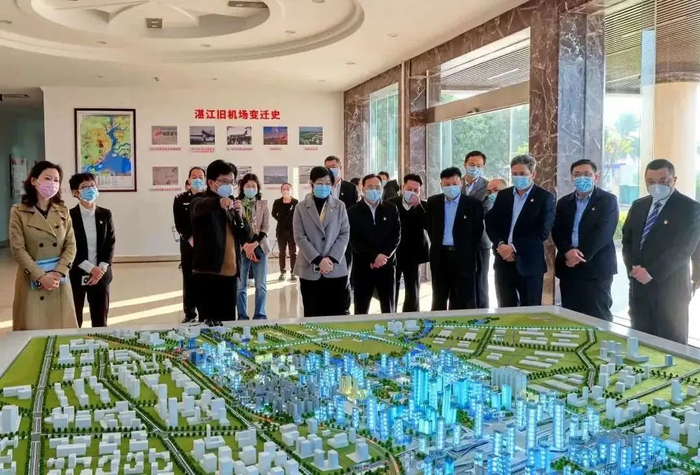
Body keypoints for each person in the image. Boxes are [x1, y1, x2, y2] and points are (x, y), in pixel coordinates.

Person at [622, 159, 700, 344]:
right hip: (639, 286)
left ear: (674, 180)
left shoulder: (690, 208)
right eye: (651, 181)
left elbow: (683, 249)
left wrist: (651, 273)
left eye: (663, 181)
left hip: (670, 288)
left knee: (671, 342)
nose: (657, 186)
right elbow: (627, 241)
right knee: (640, 340)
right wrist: (634, 270)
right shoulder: (639, 205)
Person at [10, 161, 77, 330]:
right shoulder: (18, 211)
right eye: (48, 178)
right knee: (33, 330)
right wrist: (40, 276)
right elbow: (18, 249)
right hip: (32, 280)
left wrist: (59, 272)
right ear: (34, 181)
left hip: (58, 280)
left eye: (56, 180)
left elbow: (71, 245)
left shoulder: (63, 210)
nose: (52, 183)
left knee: (62, 331)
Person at [552, 159, 618, 321]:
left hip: (596, 268)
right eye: (577, 174)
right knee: (570, 317)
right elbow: (557, 231)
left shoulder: (607, 200)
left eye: (587, 174)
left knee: (598, 315)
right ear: (571, 177)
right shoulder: (564, 202)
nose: (582, 178)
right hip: (568, 267)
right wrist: (567, 252)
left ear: (596, 177)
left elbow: (604, 233)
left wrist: (579, 256)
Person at [486, 154, 555, 307]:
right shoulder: (504, 195)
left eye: (522, 174)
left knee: (530, 310)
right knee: (505, 308)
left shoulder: (545, 198)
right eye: (515, 174)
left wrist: (513, 247)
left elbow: (542, 232)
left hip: (529, 264)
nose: (518, 177)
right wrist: (501, 244)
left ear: (533, 174)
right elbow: (492, 224)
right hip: (503, 262)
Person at [191, 160, 252, 324]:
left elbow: (246, 236)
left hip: (230, 275)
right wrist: (218, 202)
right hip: (208, 274)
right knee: (209, 325)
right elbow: (200, 206)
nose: (229, 186)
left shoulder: (231, 203)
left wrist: (241, 216)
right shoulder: (200, 200)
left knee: (228, 323)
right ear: (211, 182)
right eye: (224, 181)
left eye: (231, 182)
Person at [293, 167, 351, 317]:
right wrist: (318, 260)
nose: (324, 186)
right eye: (319, 183)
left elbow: (344, 234)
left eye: (327, 183)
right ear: (311, 184)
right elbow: (299, 236)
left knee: (337, 312)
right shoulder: (300, 207)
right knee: (312, 313)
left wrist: (330, 259)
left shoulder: (340, 206)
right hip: (309, 267)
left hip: (335, 267)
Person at [426, 167, 484, 310]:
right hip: (440, 256)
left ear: (461, 183)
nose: (451, 187)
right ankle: (438, 322)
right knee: (439, 297)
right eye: (447, 184)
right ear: (441, 185)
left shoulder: (473, 204)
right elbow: (429, 227)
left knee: (463, 298)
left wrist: (466, 249)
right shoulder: (433, 202)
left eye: (454, 183)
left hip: (463, 257)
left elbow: (477, 232)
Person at [347, 174, 401, 314]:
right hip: (363, 266)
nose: (374, 190)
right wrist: (373, 257)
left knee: (388, 308)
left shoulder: (391, 209)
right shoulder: (352, 212)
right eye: (370, 187)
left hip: (386, 265)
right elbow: (353, 239)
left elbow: (396, 235)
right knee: (361, 309)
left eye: (377, 187)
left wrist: (383, 256)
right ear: (362, 189)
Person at [68, 173, 116, 328]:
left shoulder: (105, 214)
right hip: (77, 273)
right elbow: (68, 246)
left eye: (92, 185)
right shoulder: (69, 216)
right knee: (75, 318)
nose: (90, 189)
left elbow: (110, 242)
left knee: (100, 319)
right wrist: (90, 268)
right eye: (84, 187)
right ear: (76, 193)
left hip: (101, 274)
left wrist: (100, 269)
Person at [388, 174, 429, 312]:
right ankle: (391, 313)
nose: (412, 192)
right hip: (395, 251)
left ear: (420, 191)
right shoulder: (391, 203)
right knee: (392, 284)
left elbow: (429, 225)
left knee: (413, 286)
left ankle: (411, 314)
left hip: (414, 252)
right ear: (402, 188)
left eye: (416, 190)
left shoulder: (424, 205)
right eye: (409, 189)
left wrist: (418, 206)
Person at [324, 155, 358, 313]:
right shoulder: (323, 187)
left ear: (340, 167)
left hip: (345, 240)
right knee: (326, 273)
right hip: (325, 240)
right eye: (328, 167)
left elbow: (355, 213)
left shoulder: (350, 188)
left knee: (345, 275)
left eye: (334, 166)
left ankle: (344, 309)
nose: (331, 169)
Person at [173, 166, 206, 323]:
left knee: (204, 278)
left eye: (200, 177)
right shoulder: (180, 199)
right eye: (194, 177)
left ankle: (204, 312)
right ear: (188, 179)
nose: (197, 180)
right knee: (188, 278)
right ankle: (190, 313)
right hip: (188, 244)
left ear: (205, 180)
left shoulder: (209, 198)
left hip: (206, 245)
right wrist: (191, 239)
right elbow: (179, 223)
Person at [237, 173, 271, 320]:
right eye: (248, 186)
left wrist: (254, 244)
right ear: (242, 188)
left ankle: (260, 314)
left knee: (261, 285)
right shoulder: (237, 204)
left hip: (260, 247)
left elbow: (266, 227)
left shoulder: (263, 204)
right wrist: (246, 245)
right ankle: (242, 315)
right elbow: (235, 228)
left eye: (254, 186)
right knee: (240, 286)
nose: (251, 188)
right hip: (242, 248)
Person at [462, 151, 492, 308]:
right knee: (462, 281)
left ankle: (482, 313)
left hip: (480, 241)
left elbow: (485, 211)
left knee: (480, 281)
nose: (475, 168)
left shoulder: (489, 187)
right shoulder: (455, 184)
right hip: (458, 242)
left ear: (483, 167)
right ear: (465, 164)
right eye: (472, 164)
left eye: (479, 165)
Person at [271, 183, 298, 282]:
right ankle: (282, 272)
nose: (286, 191)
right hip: (281, 231)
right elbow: (273, 213)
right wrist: (281, 219)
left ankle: (293, 272)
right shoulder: (277, 202)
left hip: (292, 231)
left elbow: (298, 215)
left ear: (291, 190)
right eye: (284, 189)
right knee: (282, 252)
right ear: (281, 191)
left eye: (288, 189)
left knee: (293, 253)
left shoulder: (295, 202)